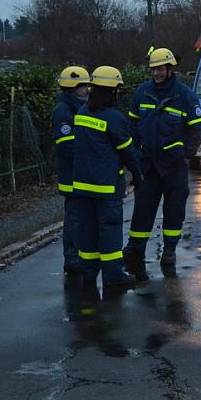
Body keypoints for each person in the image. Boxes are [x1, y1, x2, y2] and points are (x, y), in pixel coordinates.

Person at [123, 48, 201, 280]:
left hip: (174, 166)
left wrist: (185, 154)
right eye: (153, 69)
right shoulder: (142, 93)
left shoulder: (185, 96)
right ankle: (135, 249)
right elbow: (132, 126)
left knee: (174, 209)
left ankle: (169, 249)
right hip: (148, 165)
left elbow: (197, 128)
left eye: (160, 68)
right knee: (142, 210)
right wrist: (135, 156)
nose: (156, 73)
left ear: (170, 69)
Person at [72, 66, 143, 289]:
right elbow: (128, 151)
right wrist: (137, 176)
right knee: (109, 230)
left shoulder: (82, 112)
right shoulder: (114, 118)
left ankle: (89, 273)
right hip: (106, 188)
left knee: (88, 231)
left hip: (82, 186)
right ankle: (113, 276)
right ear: (112, 91)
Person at [51, 66, 91, 275]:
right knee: (74, 219)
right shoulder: (64, 111)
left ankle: (77, 256)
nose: (87, 90)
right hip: (73, 176)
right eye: (85, 86)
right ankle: (72, 259)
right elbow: (67, 146)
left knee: (80, 218)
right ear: (75, 88)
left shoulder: (74, 107)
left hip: (79, 174)